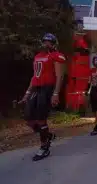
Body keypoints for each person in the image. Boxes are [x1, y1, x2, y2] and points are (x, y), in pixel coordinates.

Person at [19, 33, 66, 161]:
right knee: (29, 119)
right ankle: (47, 135)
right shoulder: (38, 56)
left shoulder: (57, 56)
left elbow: (59, 76)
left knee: (41, 119)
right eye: (45, 41)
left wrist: (56, 93)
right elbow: (34, 76)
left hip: (47, 88)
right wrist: (27, 93)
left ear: (54, 43)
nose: (46, 44)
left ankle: (44, 147)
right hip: (36, 88)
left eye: (49, 42)